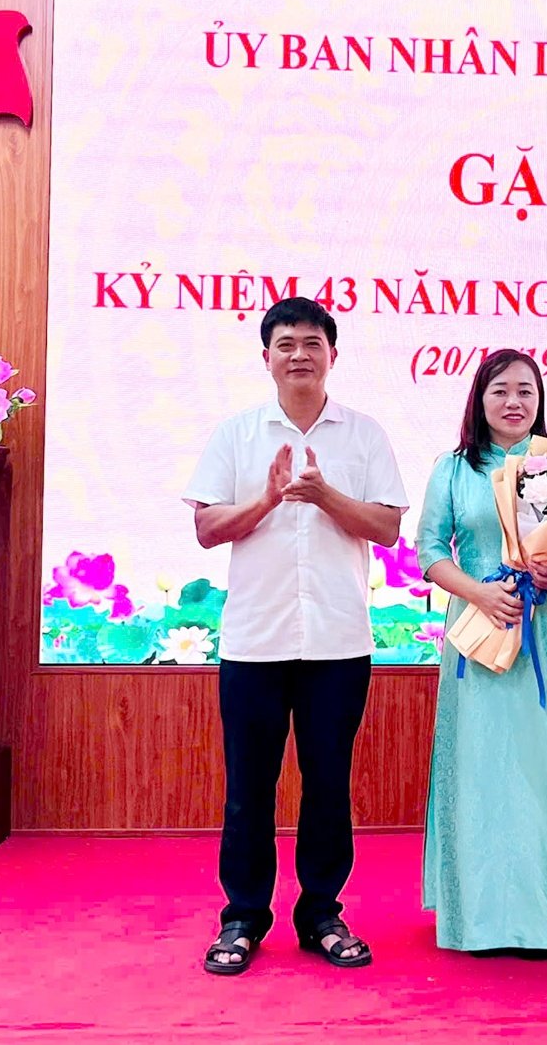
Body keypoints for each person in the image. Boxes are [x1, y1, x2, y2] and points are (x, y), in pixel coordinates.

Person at [183, 298, 409, 975]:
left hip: (338, 642)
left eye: (313, 343)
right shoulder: (237, 434)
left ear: (332, 355)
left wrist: (323, 496)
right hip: (255, 641)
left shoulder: (363, 435)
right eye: (286, 344)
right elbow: (205, 529)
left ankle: (321, 913)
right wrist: (268, 499)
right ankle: (243, 918)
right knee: (248, 787)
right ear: (267, 358)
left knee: (328, 784)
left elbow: (389, 528)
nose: (300, 355)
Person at [418, 349, 547, 956]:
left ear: (539, 400)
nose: (514, 402)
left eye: (526, 391)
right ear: (479, 399)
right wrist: (480, 594)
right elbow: (428, 549)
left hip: (545, 636)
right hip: (477, 632)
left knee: (543, 766)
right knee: (480, 766)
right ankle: (479, 916)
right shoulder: (453, 468)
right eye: (500, 390)